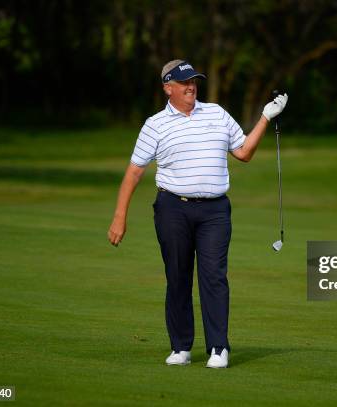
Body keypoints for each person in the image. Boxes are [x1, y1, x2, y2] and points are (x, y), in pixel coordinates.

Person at [107, 59, 287, 368]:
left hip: (215, 211)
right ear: (168, 88)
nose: (191, 86)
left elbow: (243, 152)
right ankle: (181, 347)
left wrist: (265, 118)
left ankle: (218, 348)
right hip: (172, 208)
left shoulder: (216, 113)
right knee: (177, 276)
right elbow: (134, 173)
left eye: (194, 81)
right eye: (184, 82)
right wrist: (119, 216)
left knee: (214, 277)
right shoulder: (155, 125)